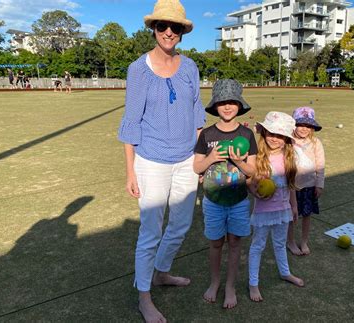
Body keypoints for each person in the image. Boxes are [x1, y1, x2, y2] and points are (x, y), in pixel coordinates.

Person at [117, 0, 205, 322]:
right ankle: (144, 297)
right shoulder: (138, 69)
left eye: (175, 27)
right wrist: (130, 172)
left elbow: (198, 117)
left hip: (185, 161)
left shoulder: (191, 68)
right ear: (153, 29)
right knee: (151, 231)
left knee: (181, 225)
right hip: (150, 161)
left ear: (182, 32)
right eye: (162, 26)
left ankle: (161, 273)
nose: (169, 32)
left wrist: (199, 161)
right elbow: (131, 123)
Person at [193, 79, 257, 309]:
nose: (227, 106)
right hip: (212, 201)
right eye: (222, 102)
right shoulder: (207, 134)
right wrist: (210, 159)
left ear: (239, 105)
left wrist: (239, 161)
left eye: (232, 102)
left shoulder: (247, 135)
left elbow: (253, 170)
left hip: (239, 201)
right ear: (215, 106)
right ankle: (215, 282)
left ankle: (230, 286)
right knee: (216, 243)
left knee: (235, 243)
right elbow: (197, 167)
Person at [247, 111, 305, 302]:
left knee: (280, 243)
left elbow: (290, 185)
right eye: (271, 133)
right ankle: (253, 284)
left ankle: (285, 272)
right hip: (263, 211)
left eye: (280, 135)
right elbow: (250, 183)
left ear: (286, 139)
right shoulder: (257, 157)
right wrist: (256, 191)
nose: (274, 138)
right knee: (258, 246)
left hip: (283, 210)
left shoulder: (289, 157)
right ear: (263, 133)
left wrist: (294, 206)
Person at [287, 107, 325, 256]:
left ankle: (303, 241)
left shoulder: (316, 143)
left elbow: (320, 165)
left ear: (312, 128)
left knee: (307, 215)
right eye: (300, 124)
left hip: (309, 186)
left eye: (308, 126)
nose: (303, 129)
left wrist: (319, 184)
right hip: (291, 186)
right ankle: (290, 241)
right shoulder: (287, 140)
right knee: (291, 216)